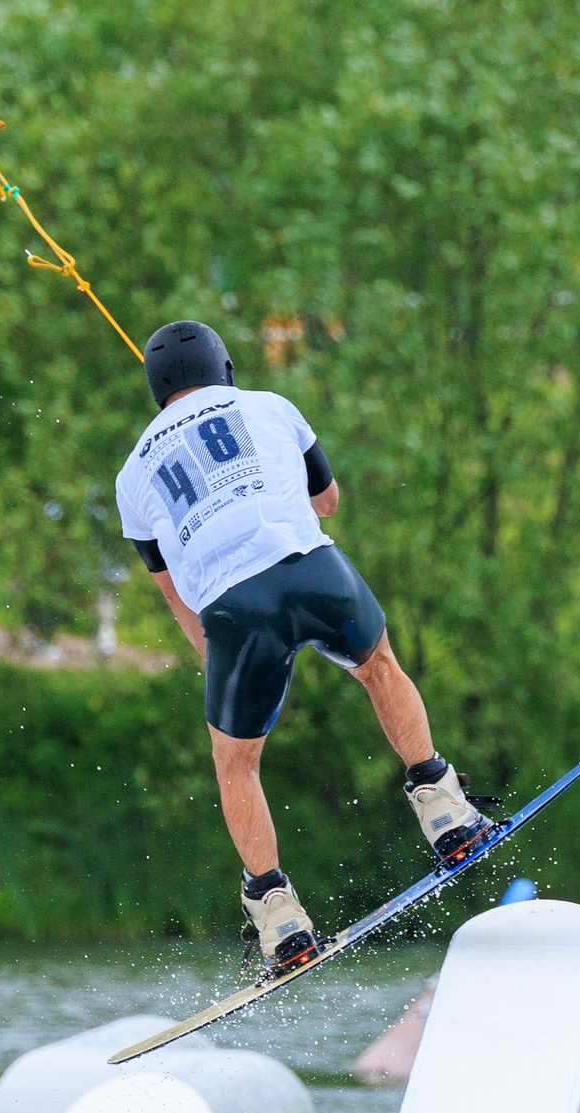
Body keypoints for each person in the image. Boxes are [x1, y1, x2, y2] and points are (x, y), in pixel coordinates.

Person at [116, 319, 493, 975]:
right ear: (225, 369)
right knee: (378, 666)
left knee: (236, 762)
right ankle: (443, 809)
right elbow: (328, 501)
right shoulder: (270, 406)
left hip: (235, 610)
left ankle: (279, 914)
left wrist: (215, 656)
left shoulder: (131, 476)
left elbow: (171, 590)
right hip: (314, 571)